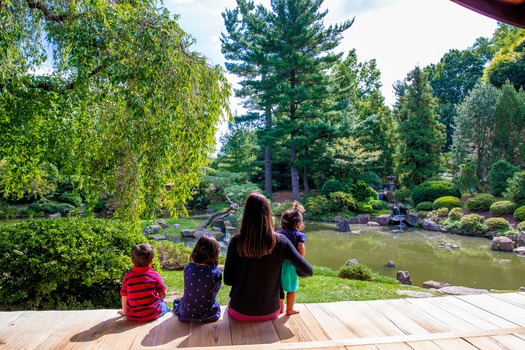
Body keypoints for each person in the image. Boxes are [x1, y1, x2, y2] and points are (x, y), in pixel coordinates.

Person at [224, 192, 313, 322]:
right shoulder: (281, 241)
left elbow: (228, 280)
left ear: (246, 214)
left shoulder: (236, 241)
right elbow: (308, 271)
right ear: (268, 213)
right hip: (270, 312)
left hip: (239, 311)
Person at [173, 235, 222, 323]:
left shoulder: (188, 267)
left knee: (179, 301)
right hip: (208, 314)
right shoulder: (216, 272)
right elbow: (214, 293)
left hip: (186, 313)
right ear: (215, 254)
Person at [119, 244, 170, 322]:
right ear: (151, 262)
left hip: (133, 316)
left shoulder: (128, 276)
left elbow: (124, 295)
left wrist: (124, 312)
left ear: (131, 261)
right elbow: (162, 293)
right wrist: (162, 300)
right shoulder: (154, 275)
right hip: (153, 313)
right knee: (165, 305)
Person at [278, 201, 306, 315]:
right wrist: (301, 262)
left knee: (278, 288)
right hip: (291, 265)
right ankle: (289, 309)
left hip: (278, 264)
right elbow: (301, 248)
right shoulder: (299, 235)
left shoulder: (278, 233)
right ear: (299, 223)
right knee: (291, 288)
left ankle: (280, 308)